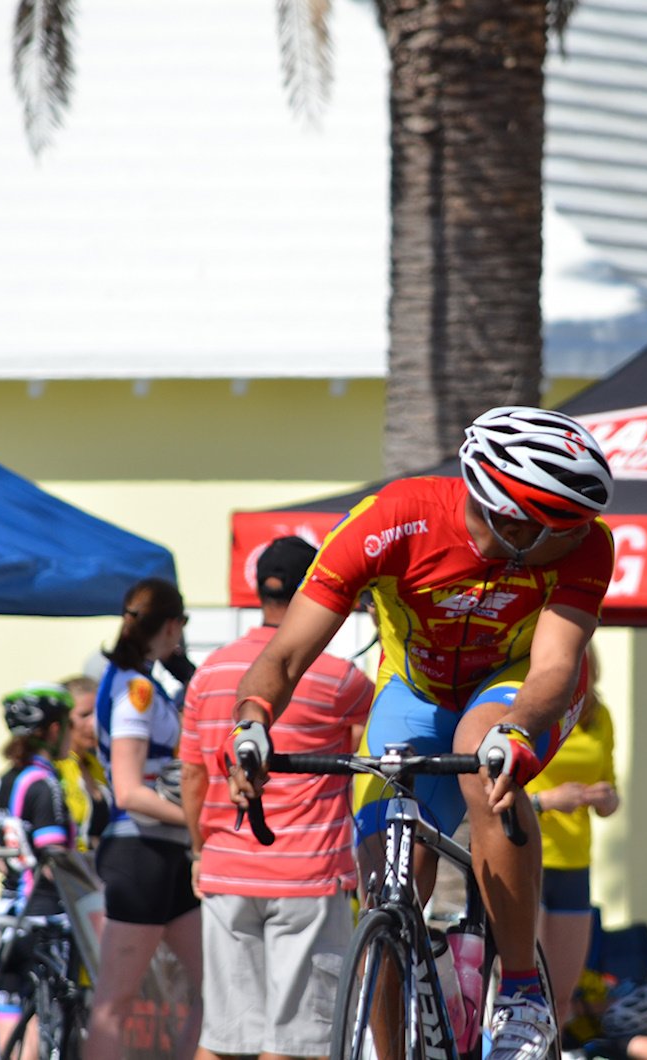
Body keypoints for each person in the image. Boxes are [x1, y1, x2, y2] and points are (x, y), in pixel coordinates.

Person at [224, 405, 616, 1060]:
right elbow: (286, 655)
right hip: (415, 692)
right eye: (563, 527)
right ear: (508, 516)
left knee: (482, 753)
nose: (580, 537)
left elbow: (554, 665)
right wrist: (251, 725)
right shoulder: (390, 521)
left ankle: (522, 992)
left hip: (514, 684)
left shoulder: (589, 544)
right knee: (386, 883)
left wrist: (517, 732)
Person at [179, 535, 374, 1060]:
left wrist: (198, 850)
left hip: (226, 869)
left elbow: (193, 776)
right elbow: (375, 755)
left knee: (220, 1039)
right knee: (294, 1044)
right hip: (308, 876)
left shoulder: (210, 671)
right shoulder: (340, 677)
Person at [86, 578, 203, 1060]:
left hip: (163, 853)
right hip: (140, 852)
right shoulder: (134, 687)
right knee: (114, 1002)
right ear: (172, 625)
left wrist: (188, 674)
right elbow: (129, 791)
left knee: (217, 991)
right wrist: (196, 822)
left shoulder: (142, 681)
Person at [526, 646, 621, 1024]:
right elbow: (489, 791)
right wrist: (547, 801)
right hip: (529, 854)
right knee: (521, 987)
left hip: (575, 860)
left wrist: (606, 798)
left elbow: (610, 788)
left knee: (562, 997)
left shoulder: (599, 715)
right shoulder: (528, 709)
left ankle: (555, 1047)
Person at [0, 684, 76, 1051]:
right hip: (43, 917)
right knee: (40, 1029)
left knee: (6, 1032)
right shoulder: (45, 783)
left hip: (6, 915)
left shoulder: (5, 779)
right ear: (54, 730)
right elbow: (53, 858)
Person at [55, 674, 112, 853]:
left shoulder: (98, 764)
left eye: (97, 713)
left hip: (98, 866)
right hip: (68, 865)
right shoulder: (54, 767)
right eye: (85, 715)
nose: (94, 723)